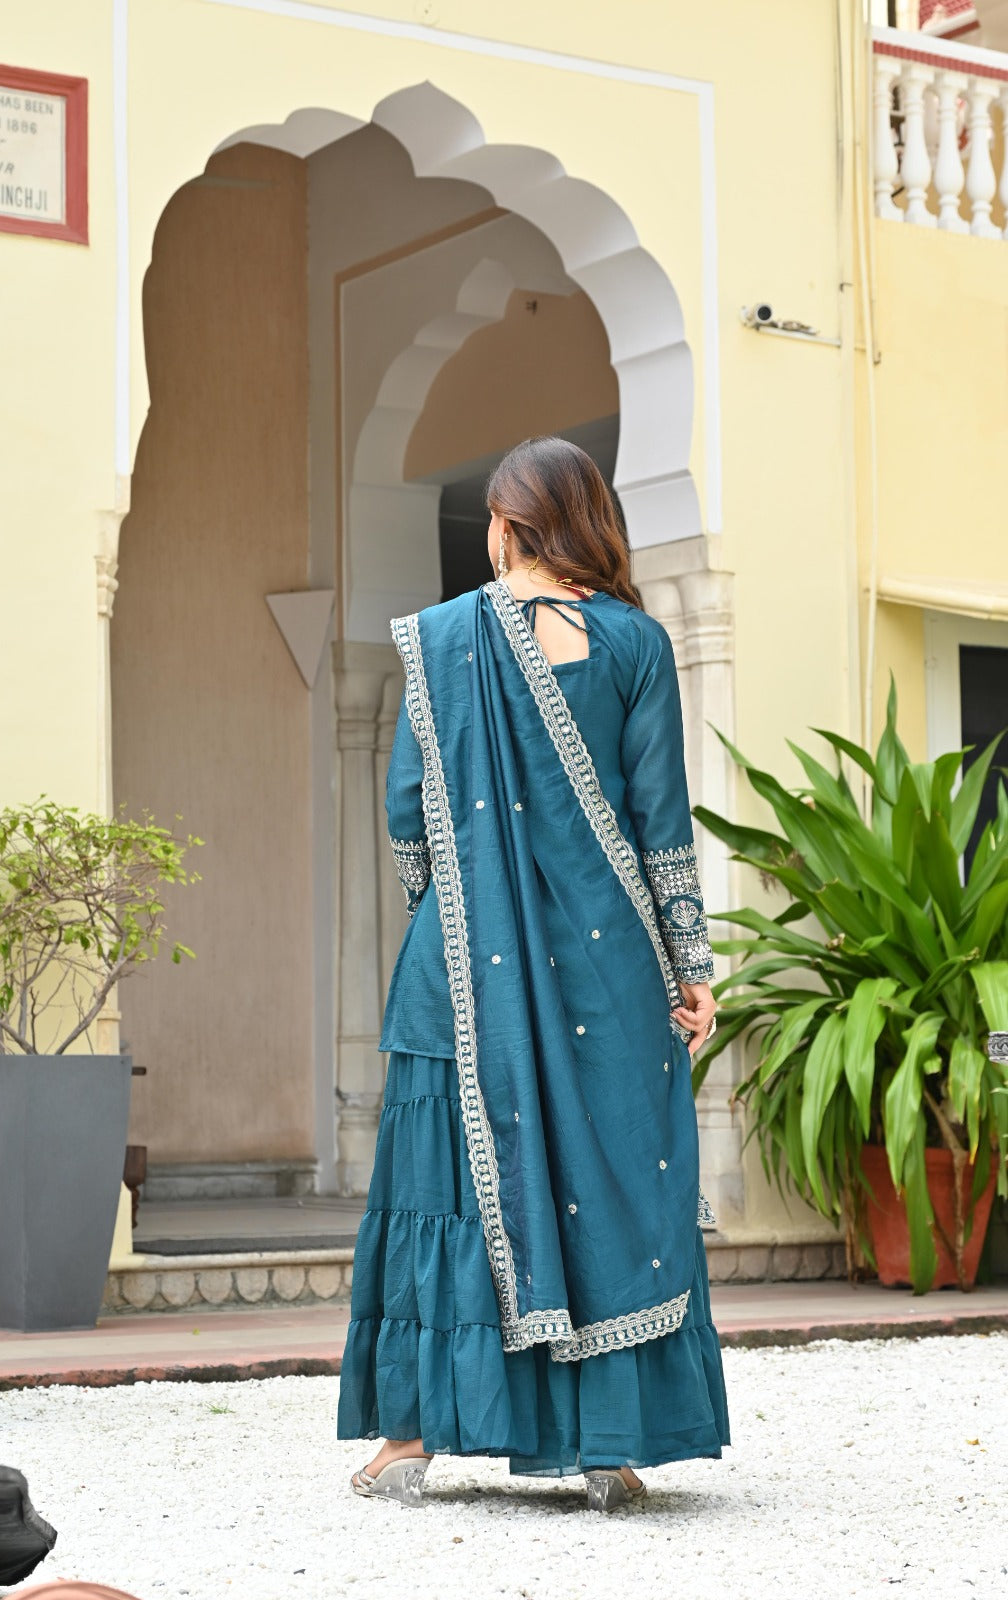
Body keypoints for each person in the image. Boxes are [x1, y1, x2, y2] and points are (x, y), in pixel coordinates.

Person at [336, 437, 729, 1511]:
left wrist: (467, 919)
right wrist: (690, 969)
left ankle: (406, 1440)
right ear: (589, 522)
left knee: (443, 1187)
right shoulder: (636, 643)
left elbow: (410, 813)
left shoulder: (444, 640)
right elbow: (660, 829)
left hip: (459, 970)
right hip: (607, 973)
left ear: (504, 526)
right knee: (604, 1175)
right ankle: (608, 1443)